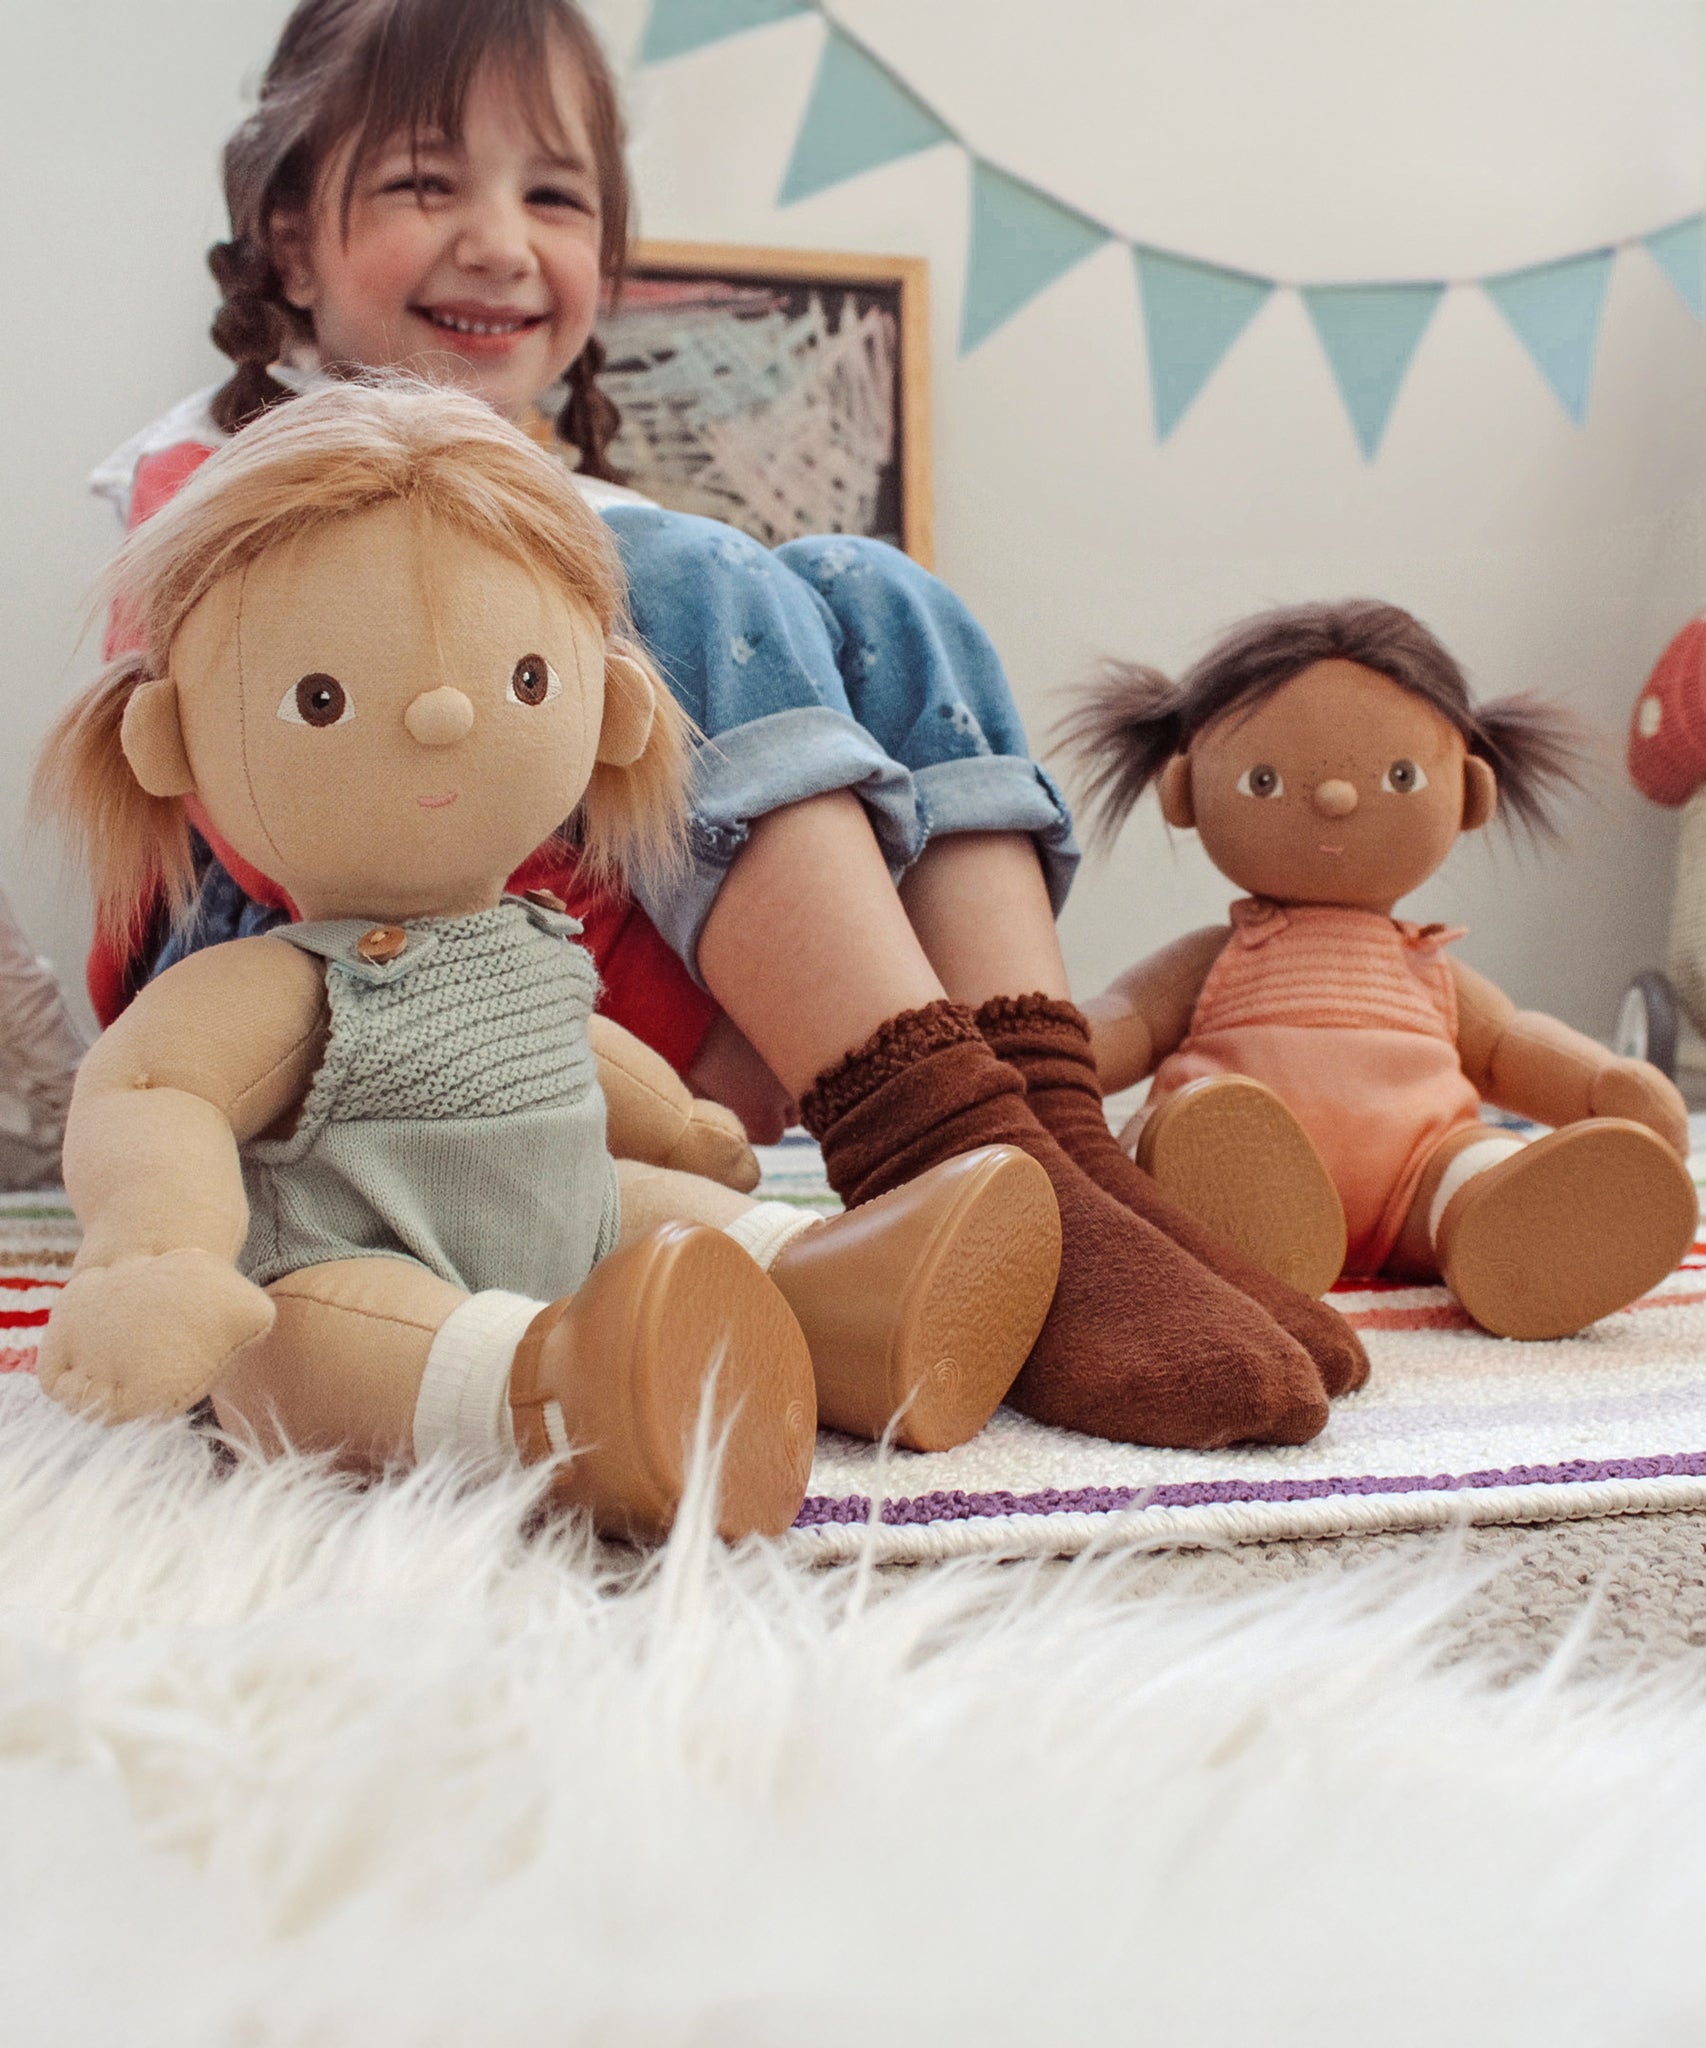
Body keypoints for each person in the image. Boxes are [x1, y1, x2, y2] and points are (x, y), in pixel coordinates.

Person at [83, 0, 1368, 1448]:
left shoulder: (579, 514)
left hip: (557, 1020)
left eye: (553, 195)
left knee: (873, 590)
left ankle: (1039, 1132)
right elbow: (233, 788)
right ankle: (932, 1132)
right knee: (673, 567)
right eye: (425, 185)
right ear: (291, 242)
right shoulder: (223, 474)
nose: (501, 240)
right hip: (324, 1011)